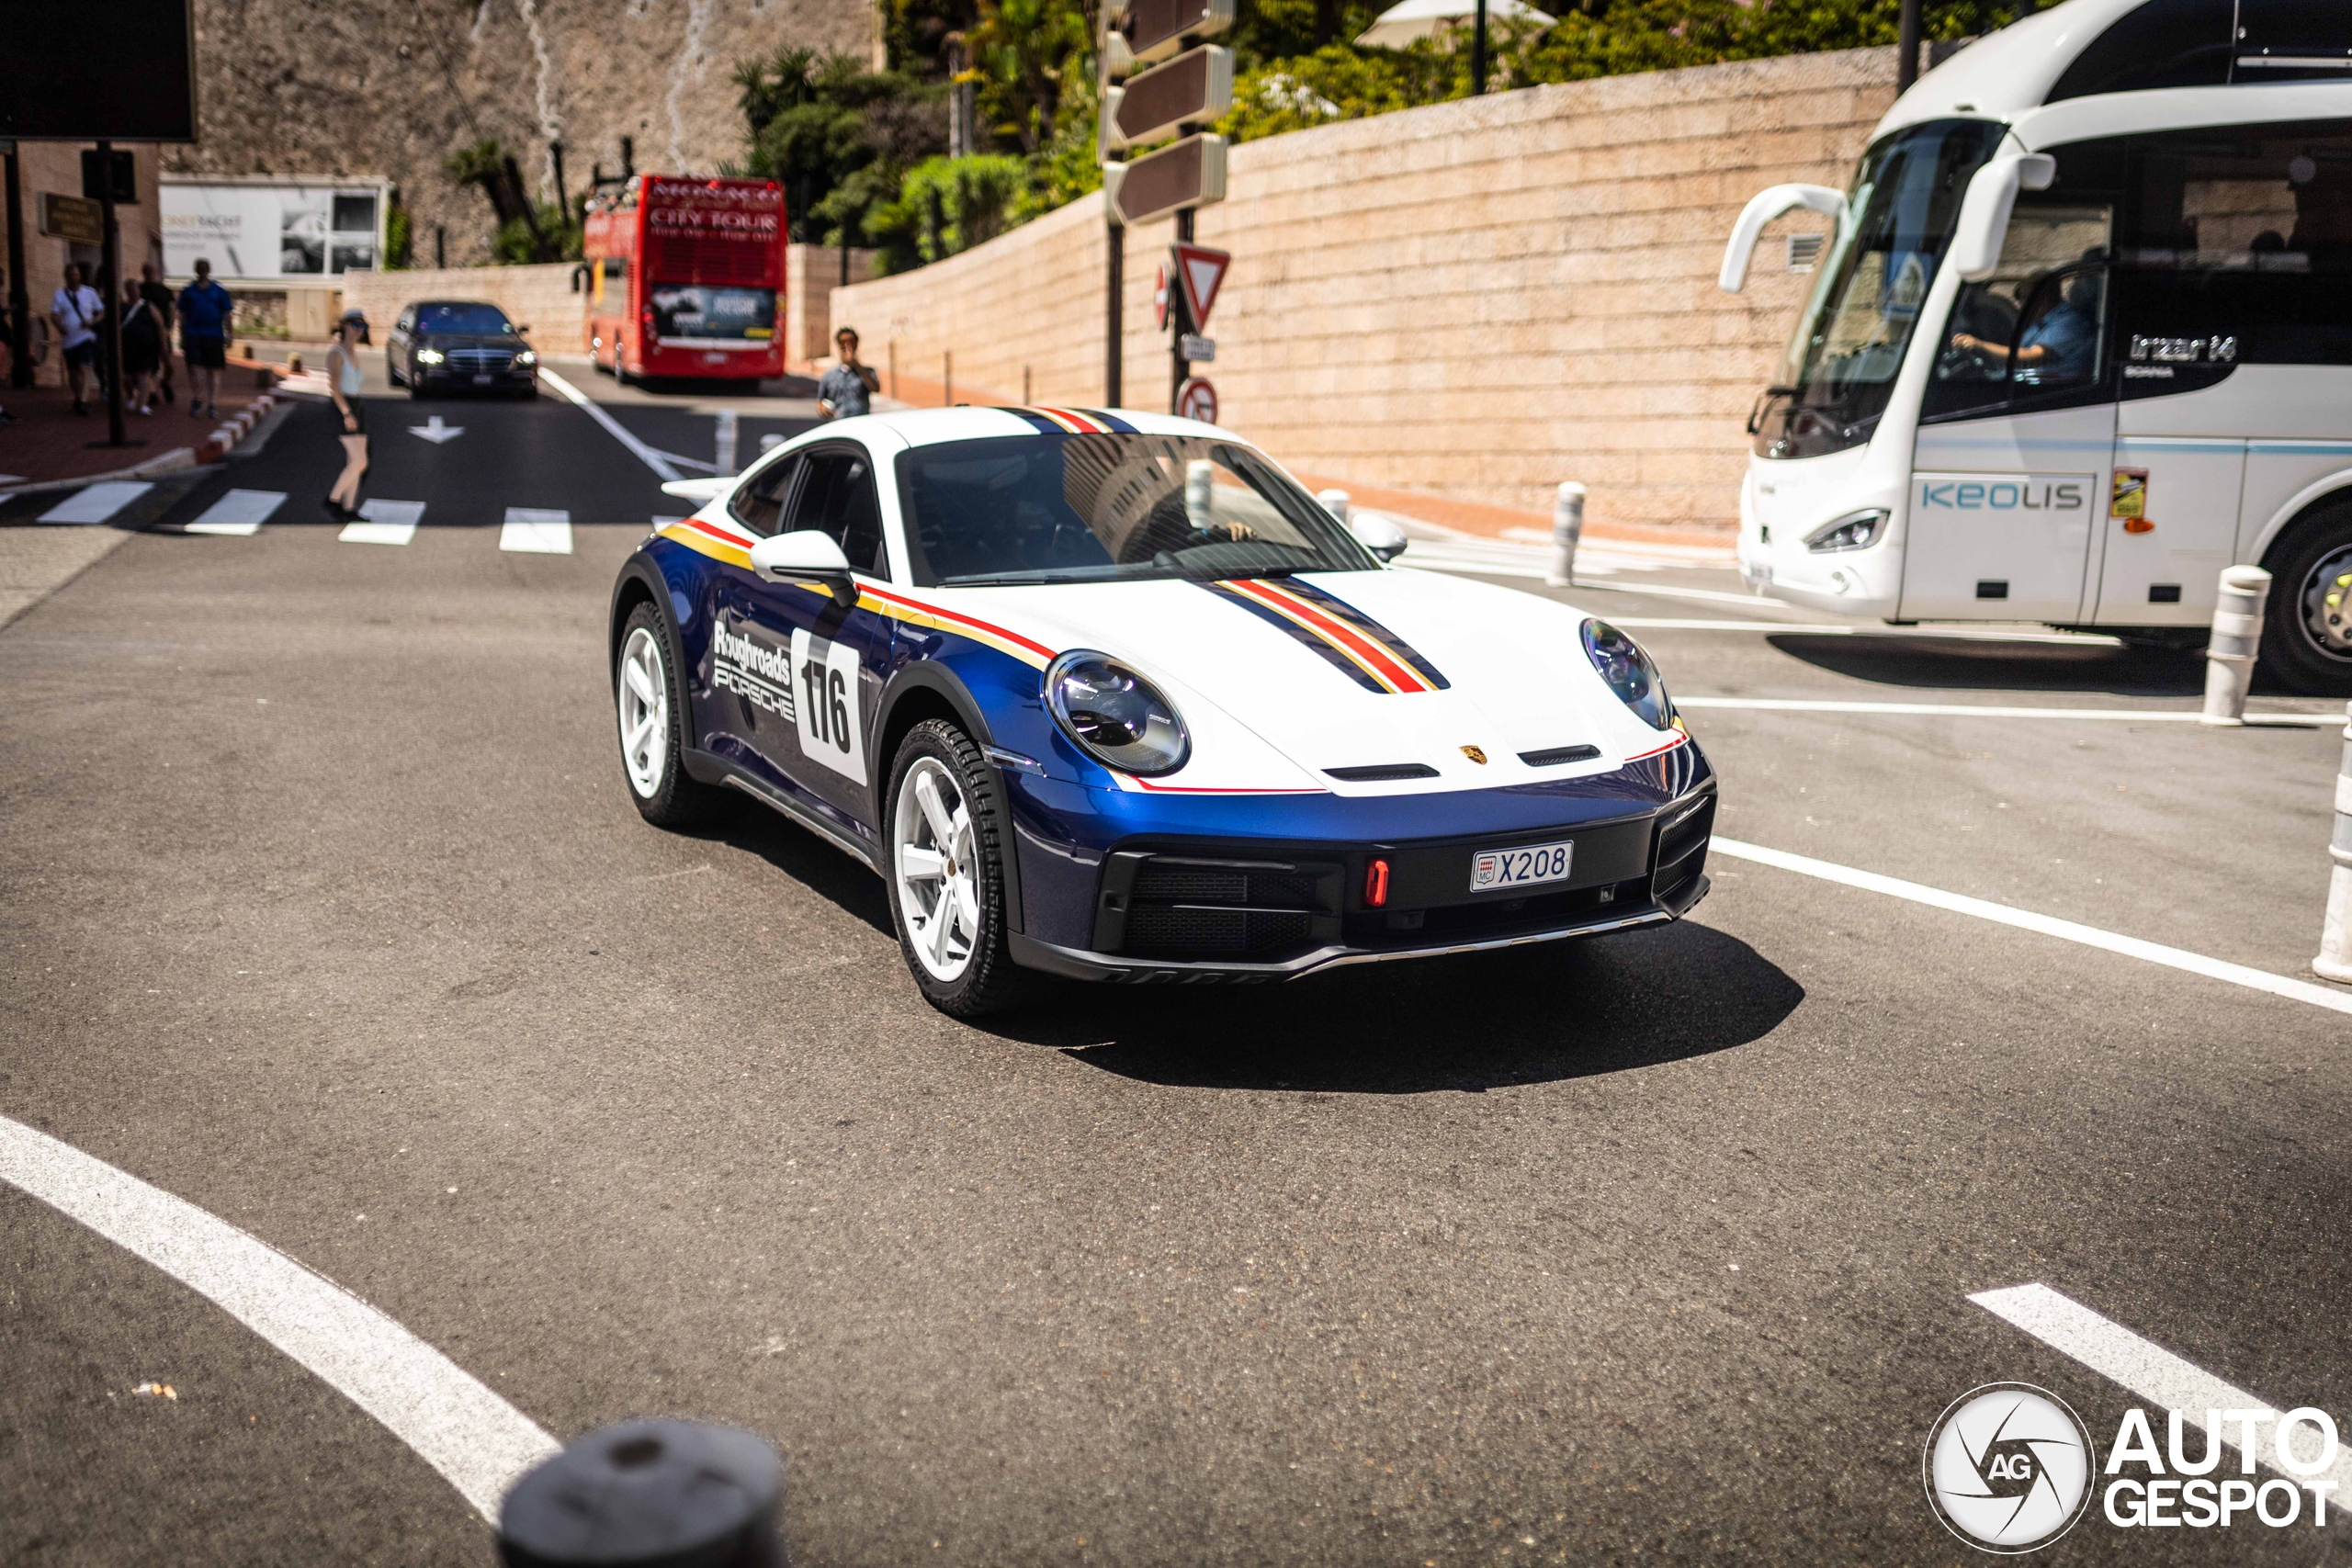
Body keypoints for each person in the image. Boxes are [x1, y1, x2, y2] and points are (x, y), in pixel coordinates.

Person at [323, 309, 370, 522]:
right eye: (355, 325)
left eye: (362, 326)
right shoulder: (336, 353)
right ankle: (332, 501)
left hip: (356, 405)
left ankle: (349, 509)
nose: (359, 330)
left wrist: (354, 411)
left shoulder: (353, 352)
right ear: (344, 325)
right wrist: (346, 413)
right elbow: (334, 387)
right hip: (343, 407)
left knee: (358, 461)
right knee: (359, 461)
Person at [177, 258, 234, 419]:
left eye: (205, 268)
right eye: (200, 268)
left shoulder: (219, 291)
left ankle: (212, 403)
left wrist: (230, 334)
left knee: (214, 370)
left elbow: (227, 314)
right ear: (196, 270)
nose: (202, 271)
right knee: (193, 368)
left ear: (209, 270)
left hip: (214, 335)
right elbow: (182, 315)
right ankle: (197, 398)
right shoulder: (188, 291)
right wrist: (181, 335)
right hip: (193, 334)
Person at [51, 262, 104, 415]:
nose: (74, 277)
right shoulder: (60, 295)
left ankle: (84, 400)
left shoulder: (90, 293)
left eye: (76, 274)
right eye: (71, 274)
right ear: (66, 277)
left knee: (84, 366)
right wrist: (59, 326)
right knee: (73, 372)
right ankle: (78, 397)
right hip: (69, 340)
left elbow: (101, 311)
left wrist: (92, 321)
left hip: (86, 337)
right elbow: (54, 314)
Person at [119, 276, 163, 414]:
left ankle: (143, 403)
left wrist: (162, 342)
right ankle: (131, 397)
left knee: (144, 374)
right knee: (128, 376)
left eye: (135, 289)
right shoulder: (122, 307)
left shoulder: (148, 306)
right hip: (127, 346)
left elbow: (160, 324)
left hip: (146, 346)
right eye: (130, 289)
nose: (133, 292)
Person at [816, 327, 880, 420]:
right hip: (838, 423)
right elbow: (820, 401)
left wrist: (857, 365)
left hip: (860, 422)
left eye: (851, 342)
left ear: (856, 344)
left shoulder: (868, 372)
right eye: (843, 342)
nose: (847, 346)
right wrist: (823, 409)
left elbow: (875, 388)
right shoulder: (829, 375)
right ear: (838, 345)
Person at [140, 261, 177, 405]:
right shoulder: (140, 289)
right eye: (146, 271)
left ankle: (165, 382)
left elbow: (171, 309)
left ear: (155, 272)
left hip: (163, 331)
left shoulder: (164, 290)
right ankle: (152, 391)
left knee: (168, 363)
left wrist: (169, 327)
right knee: (150, 364)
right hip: (146, 331)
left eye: (151, 271)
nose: (149, 273)